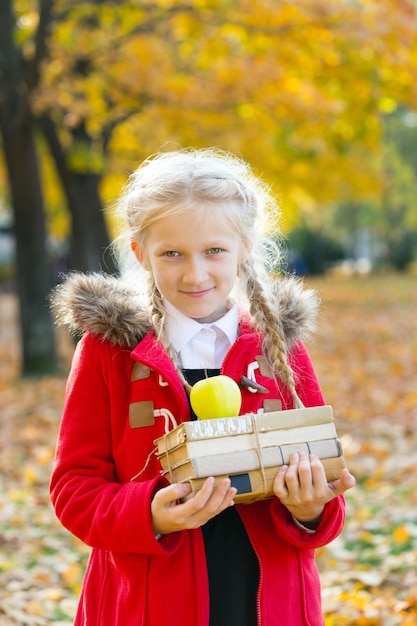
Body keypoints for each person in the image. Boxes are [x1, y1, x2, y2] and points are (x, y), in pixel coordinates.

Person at [50, 147, 355, 626]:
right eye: (172, 254)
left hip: (270, 605)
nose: (195, 274)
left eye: (215, 251)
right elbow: (74, 489)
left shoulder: (278, 345)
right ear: (139, 253)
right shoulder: (110, 351)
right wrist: (148, 514)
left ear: (246, 247)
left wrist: (311, 507)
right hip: (148, 605)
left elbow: (323, 488)